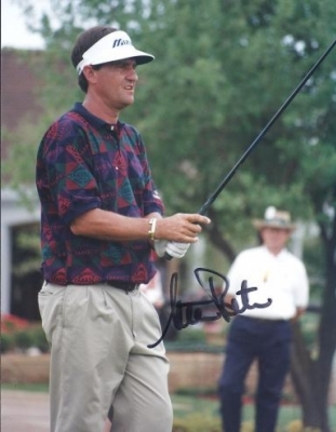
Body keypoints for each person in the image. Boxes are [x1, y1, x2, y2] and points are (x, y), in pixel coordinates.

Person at [35, 25, 210, 432]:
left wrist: (168, 237)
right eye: (121, 66)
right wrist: (155, 230)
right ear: (90, 72)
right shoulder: (67, 133)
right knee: (80, 423)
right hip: (82, 300)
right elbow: (83, 219)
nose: (133, 75)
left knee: (153, 419)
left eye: (134, 66)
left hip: (135, 299)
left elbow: (150, 203)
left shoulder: (132, 138)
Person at [218, 206, 309, 432]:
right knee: (229, 385)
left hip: (277, 331)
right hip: (245, 327)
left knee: (270, 392)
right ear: (263, 232)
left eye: (280, 231)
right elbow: (228, 295)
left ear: (287, 234)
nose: (274, 234)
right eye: (270, 230)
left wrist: (276, 316)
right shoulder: (246, 258)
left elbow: (299, 308)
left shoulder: (296, 266)